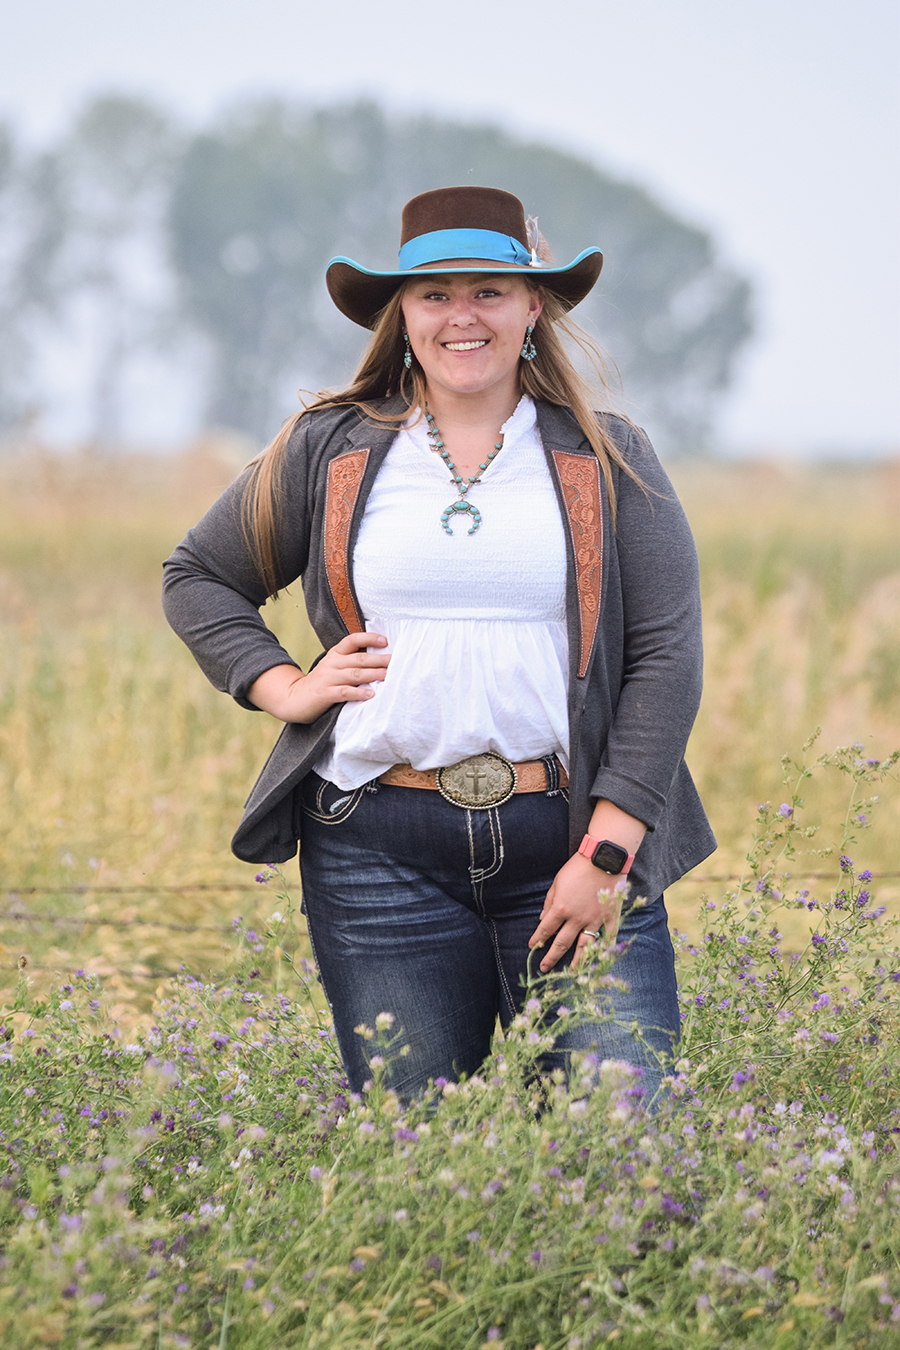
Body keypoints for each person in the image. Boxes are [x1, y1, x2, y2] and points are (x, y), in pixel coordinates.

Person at [162, 185, 716, 1104]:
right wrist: (282, 685)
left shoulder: (610, 457)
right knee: (418, 1158)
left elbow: (666, 656)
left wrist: (606, 858)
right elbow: (199, 577)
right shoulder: (328, 449)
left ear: (533, 306)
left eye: (490, 290)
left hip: (571, 842)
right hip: (376, 852)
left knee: (629, 1158)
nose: (463, 315)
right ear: (402, 315)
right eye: (435, 294)